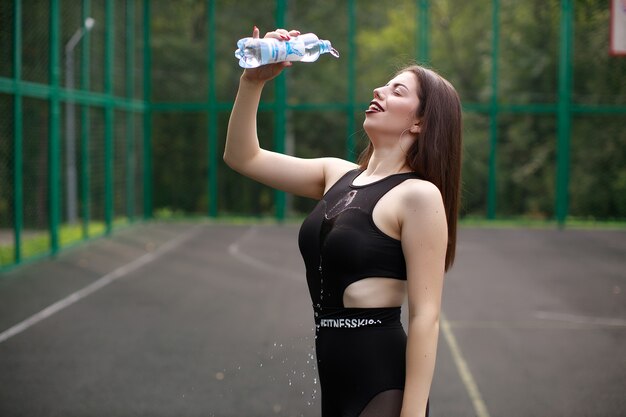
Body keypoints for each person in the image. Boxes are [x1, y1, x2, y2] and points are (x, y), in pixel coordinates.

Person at [224, 27, 462, 417]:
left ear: (420, 122)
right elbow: (242, 157)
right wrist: (252, 82)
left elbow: (425, 315)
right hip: (335, 378)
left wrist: (414, 412)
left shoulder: (418, 195)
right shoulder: (337, 174)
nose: (378, 92)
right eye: (383, 86)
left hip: (383, 385)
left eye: (397, 91)